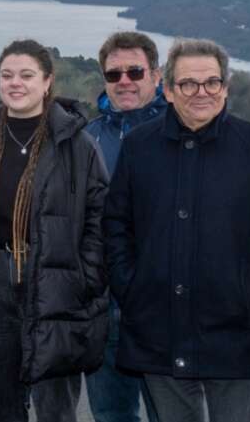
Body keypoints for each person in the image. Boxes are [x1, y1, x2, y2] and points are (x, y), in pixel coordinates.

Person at [104, 38, 250, 422]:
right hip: (156, 328)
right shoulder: (139, 147)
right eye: (188, 84)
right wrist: (132, 287)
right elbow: (116, 226)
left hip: (231, 329)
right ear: (168, 90)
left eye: (212, 82)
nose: (201, 93)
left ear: (225, 87)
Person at [0, 39, 109, 422]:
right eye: (7, 75)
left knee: (56, 408)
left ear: (47, 81)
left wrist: (84, 277)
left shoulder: (76, 144)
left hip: (57, 285)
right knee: (0, 407)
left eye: (26, 75)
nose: (15, 83)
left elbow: (100, 220)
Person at [84, 32, 166, 422]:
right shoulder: (88, 138)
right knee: (111, 415)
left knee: (172, 414)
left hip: (165, 308)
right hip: (104, 306)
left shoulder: (182, 132)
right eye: (113, 74)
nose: (125, 81)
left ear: (157, 74)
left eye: (135, 71)